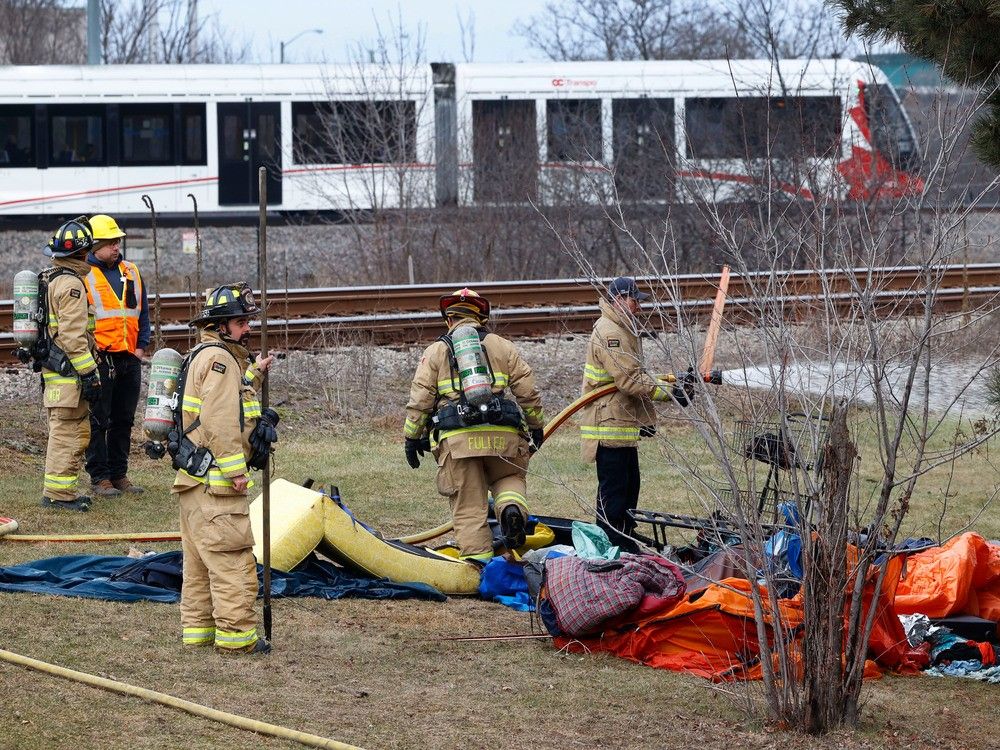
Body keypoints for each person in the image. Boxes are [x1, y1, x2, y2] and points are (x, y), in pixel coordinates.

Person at [403, 288, 545, 563]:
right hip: (504, 436)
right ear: (481, 318)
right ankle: (512, 509)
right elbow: (527, 390)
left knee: (469, 506)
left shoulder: (436, 351)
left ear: (449, 319)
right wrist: (536, 425)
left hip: (458, 442)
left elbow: (420, 399)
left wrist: (412, 437)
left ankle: (478, 566)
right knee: (509, 479)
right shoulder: (503, 346)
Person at [173, 283, 276, 655]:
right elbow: (219, 420)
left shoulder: (206, 355)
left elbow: (229, 399)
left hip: (193, 483)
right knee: (232, 563)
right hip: (217, 485)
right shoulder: (221, 360)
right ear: (221, 326)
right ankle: (238, 639)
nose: (248, 328)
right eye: (241, 322)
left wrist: (255, 375)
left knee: (199, 565)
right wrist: (236, 472)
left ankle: (198, 633)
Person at [579, 276, 686, 552]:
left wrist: (647, 417)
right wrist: (672, 392)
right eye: (634, 300)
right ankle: (613, 546)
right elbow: (629, 380)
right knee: (615, 494)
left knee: (629, 489)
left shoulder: (621, 327)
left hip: (621, 424)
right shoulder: (610, 333)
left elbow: (634, 376)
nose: (638, 305)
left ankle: (623, 538)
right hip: (609, 427)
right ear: (618, 299)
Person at [84, 214, 151, 497]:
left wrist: (140, 347)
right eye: (110, 242)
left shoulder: (131, 271)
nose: (116, 246)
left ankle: (119, 474)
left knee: (123, 420)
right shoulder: (83, 275)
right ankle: (100, 477)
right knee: (98, 421)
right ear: (95, 245)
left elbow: (142, 313)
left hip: (129, 358)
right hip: (101, 359)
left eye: (117, 241)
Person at [39, 218, 102, 511]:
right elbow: (74, 337)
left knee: (61, 430)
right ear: (83, 252)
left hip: (54, 372)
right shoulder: (72, 284)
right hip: (70, 374)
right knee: (70, 432)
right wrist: (89, 374)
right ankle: (59, 496)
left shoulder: (49, 277)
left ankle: (59, 492)